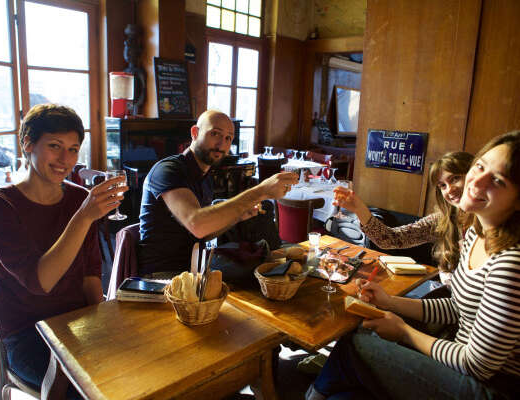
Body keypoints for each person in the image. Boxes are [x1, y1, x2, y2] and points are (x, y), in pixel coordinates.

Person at [307, 131, 520, 400]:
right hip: (458, 351)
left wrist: (404, 332)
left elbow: (477, 364)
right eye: (480, 167)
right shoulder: (476, 233)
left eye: (497, 180)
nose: (476, 181)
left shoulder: (510, 263)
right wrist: (389, 301)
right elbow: (456, 306)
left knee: (355, 343)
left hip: (493, 386)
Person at [0, 104, 128, 395]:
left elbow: (90, 273)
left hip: (78, 325)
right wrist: (85, 216)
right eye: (55, 146)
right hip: (28, 335)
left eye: (74, 149)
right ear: (27, 144)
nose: (66, 159)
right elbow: (41, 282)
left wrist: (106, 326)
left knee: (139, 370)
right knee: (94, 392)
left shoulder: (79, 198)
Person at [138, 110, 298, 276]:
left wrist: (238, 216)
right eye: (215, 133)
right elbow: (197, 224)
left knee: (269, 271)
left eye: (228, 138)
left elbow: (204, 233)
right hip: (160, 278)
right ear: (195, 133)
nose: (222, 144)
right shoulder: (167, 170)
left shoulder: (205, 176)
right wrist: (261, 191)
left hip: (195, 270)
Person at [333, 151, 474, 285]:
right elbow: (390, 239)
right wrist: (359, 209)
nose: (449, 189)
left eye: (455, 179)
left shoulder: (489, 225)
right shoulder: (441, 220)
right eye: (442, 185)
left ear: (474, 176)